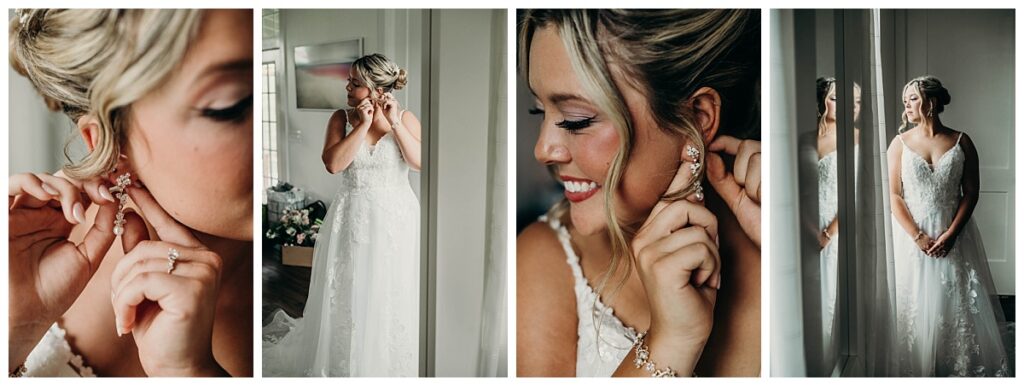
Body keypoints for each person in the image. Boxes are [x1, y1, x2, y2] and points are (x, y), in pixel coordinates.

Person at [8, 9, 253, 376]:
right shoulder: (25, 256)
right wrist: (12, 329)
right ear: (113, 144)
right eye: (230, 105)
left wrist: (188, 372)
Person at [517, 9, 761, 377]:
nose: (543, 149)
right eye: (540, 112)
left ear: (698, 116)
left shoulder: (786, 244)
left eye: (576, 119)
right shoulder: (545, 261)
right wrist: (670, 342)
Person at [262, 53, 422, 377]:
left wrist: (392, 122)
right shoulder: (341, 118)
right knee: (350, 293)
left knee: (391, 292)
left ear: (377, 89)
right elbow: (334, 164)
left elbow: (420, 161)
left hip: (396, 222)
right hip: (353, 219)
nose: (346, 86)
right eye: (349, 79)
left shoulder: (405, 118)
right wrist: (362, 125)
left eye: (355, 82)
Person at [887, 75, 1012, 376]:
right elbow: (893, 195)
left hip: (953, 233)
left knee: (955, 304)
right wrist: (918, 237)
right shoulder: (899, 143)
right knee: (914, 305)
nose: (907, 103)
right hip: (911, 236)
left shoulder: (961, 141)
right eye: (905, 99)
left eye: (913, 97)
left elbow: (971, 192)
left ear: (931, 101)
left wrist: (952, 234)